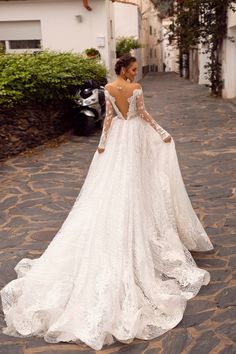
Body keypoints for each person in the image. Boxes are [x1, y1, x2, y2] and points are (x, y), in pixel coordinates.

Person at [0, 54, 214, 351]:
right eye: (134, 68)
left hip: (117, 143)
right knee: (136, 184)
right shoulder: (136, 88)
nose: (136, 72)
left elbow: (110, 119)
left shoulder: (107, 89)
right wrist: (163, 133)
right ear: (125, 69)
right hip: (136, 138)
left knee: (116, 185)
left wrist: (102, 146)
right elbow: (144, 115)